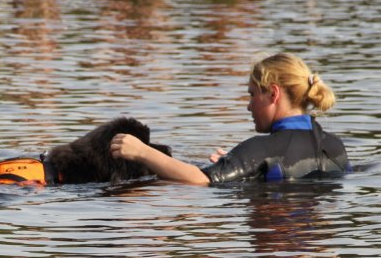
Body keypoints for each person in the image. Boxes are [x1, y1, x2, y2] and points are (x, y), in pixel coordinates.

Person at [109, 53, 351, 185]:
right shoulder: (335, 146)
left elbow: (201, 180)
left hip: (276, 225)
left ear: (273, 93)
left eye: (252, 94)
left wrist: (141, 151)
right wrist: (235, 161)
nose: (248, 106)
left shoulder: (261, 148)